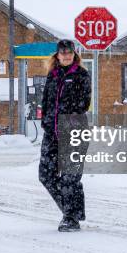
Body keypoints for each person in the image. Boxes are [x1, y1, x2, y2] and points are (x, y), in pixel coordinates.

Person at [39, 39, 91, 232]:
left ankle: (71, 217)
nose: (66, 56)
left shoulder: (81, 75)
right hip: (51, 133)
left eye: (70, 53)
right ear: (57, 55)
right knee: (46, 175)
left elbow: (83, 103)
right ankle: (72, 211)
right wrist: (46, 123)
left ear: (74, 54)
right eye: (63, 53)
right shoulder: (52, 76)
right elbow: (45, 103)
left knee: (70, 176)